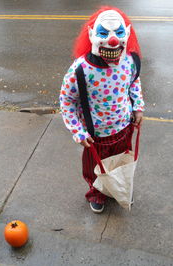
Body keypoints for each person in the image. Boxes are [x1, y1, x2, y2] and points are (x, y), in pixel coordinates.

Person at [59, 6, 145, 213]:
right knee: (94, 169)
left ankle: (117, 187)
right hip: (95, 134)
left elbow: (134, 82)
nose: (112, 40)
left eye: (118, 33)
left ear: (128, 31)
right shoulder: (80, 69)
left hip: (124, 128)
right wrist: (78, 131)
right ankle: (97, 192)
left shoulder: (130, 61)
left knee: (118, 164)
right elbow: (66, 101)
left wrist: (138, 106)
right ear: (91, 35)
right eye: (104, 33)